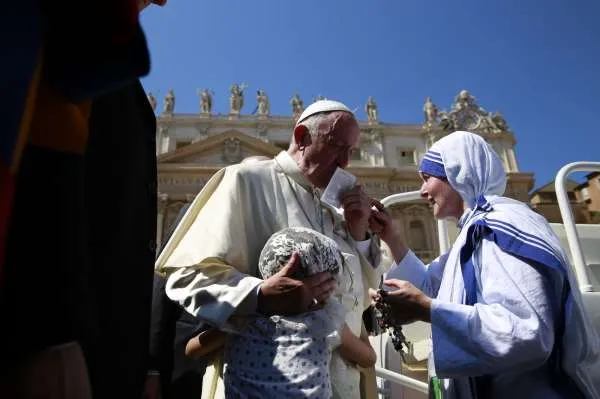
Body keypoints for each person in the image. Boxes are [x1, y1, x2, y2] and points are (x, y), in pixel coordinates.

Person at [157, 99, 383, 399]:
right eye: (336, 146)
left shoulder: (333, 209)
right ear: (302, 138)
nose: (345, 163)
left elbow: (360, 300)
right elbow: (187, 276)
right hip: (262, 383)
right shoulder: (246, 180)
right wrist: (259, 295)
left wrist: (358, 233)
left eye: (351, 151)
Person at [369, 131, 600, 398]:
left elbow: (526, 331)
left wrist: (428, 310)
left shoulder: (501, 226)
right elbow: (432, 288)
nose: (422, 192)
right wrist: (393, 238)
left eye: (427, 179)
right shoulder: (475, 231)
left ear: (458, 172)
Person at [223, 227, 376, 398]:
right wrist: (361, 325)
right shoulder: (325, 318)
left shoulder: (245, 316)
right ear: (325, 287)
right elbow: (368, 358)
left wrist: (247, 308)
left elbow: (193, 349)